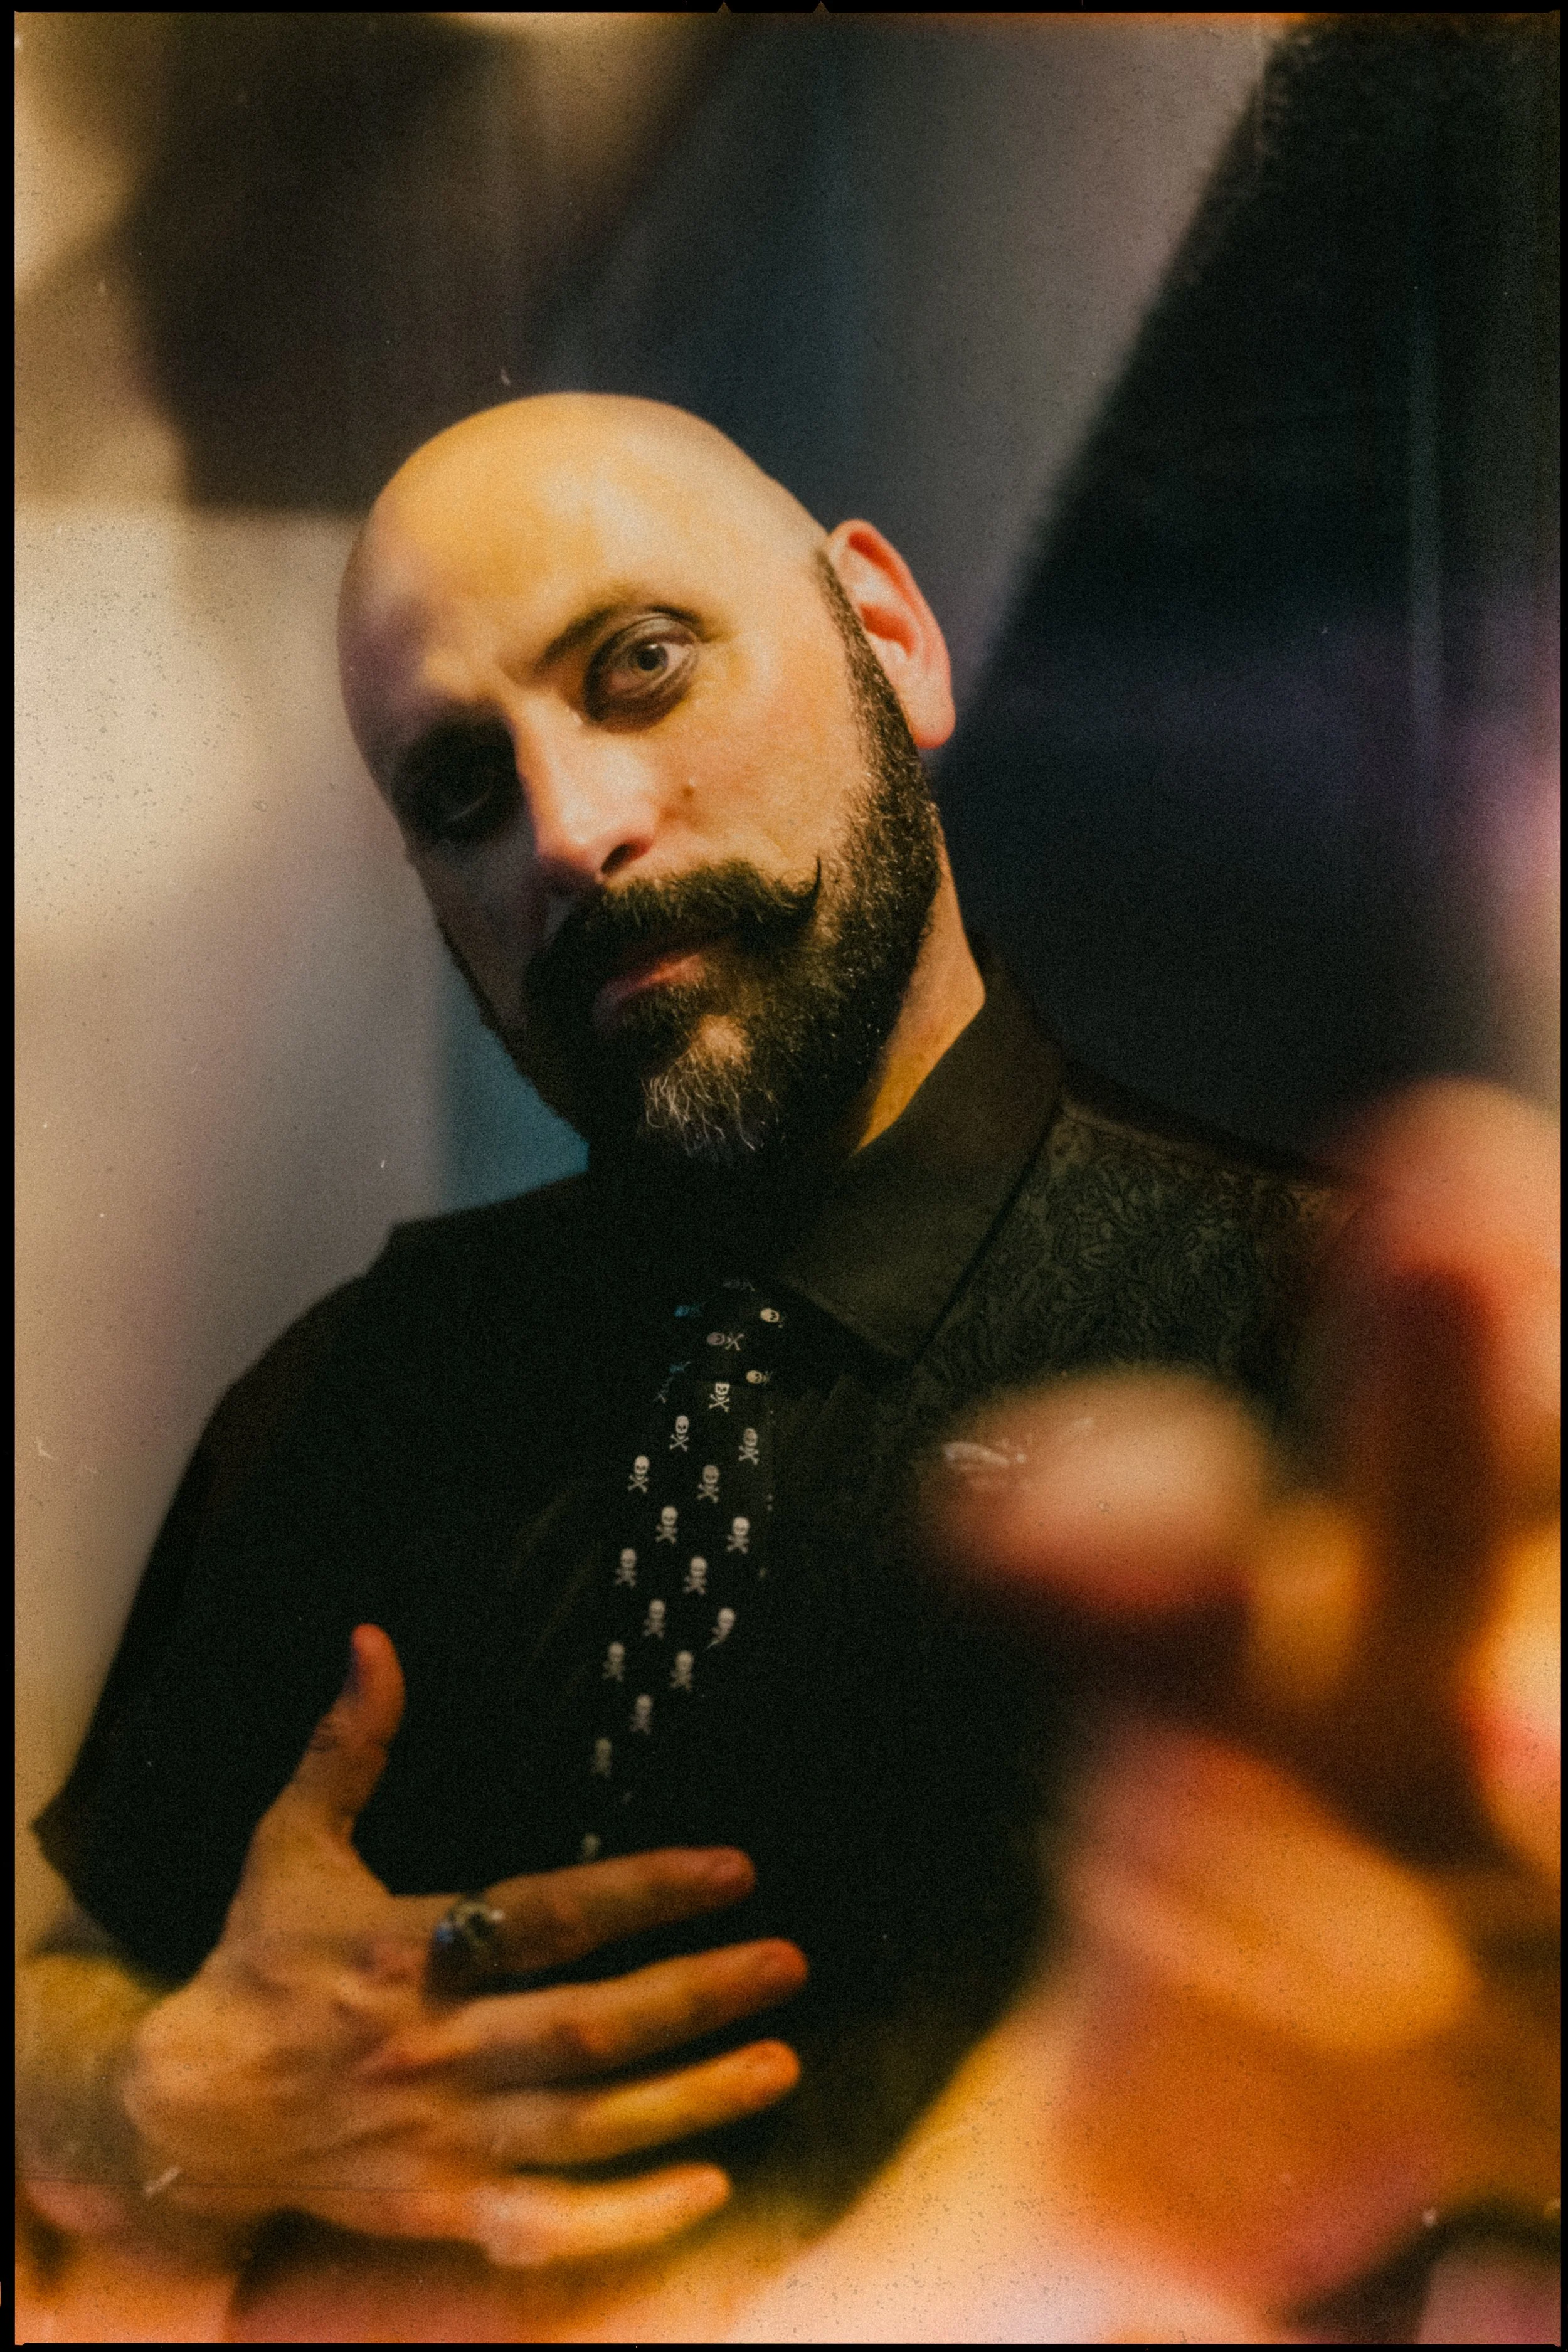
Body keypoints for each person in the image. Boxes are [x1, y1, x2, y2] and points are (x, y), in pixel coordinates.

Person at [19, 394, 1345, 2334]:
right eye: (462, 790)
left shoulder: (1303, 1358)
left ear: (886, 636)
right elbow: (63, 1984)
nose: (569, 829)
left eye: (638, 667)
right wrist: (169, 2093)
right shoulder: (354, 1397)